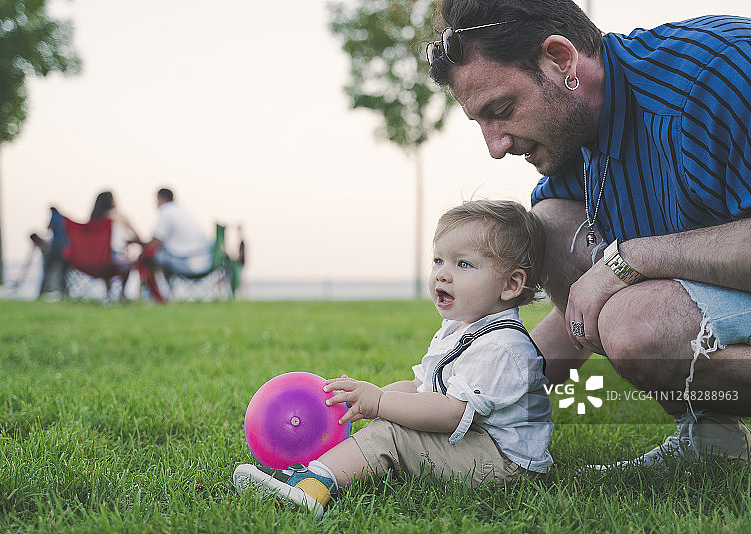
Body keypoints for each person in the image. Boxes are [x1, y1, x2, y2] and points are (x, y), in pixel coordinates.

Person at [426, 0, 751, 468]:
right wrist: (461, 391)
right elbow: (580, 307)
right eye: (481, 121)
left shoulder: (718, 78)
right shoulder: (578, 131)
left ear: (560, 60)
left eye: (502, 109)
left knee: (637, 323)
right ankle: (712, 441)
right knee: (549, 225)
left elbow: (619, 283)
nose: (495, 146)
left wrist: (630, 259)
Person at [234, 199, 553, 517]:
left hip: (504, 464)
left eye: (463, 264)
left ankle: (311, 488)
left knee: (394, 433)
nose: (442, 274)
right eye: (438, 260)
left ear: (511, 284)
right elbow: (421, 387)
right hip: (479, 445)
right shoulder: (459, 329)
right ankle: (311, 472)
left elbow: (450, 413)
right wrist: (369, 396)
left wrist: (381, 404)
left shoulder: (501, 346)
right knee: (390, 419)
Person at [146, 188, 212, 277]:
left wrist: (137, 243)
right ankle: (165, 288)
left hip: (188, 261)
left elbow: (155, 242)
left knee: (147, 256)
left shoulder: (166, 211)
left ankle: (157, 289)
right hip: (205, 259)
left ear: (161, 198)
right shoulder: (181, 211)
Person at [89, 191, 141, 266]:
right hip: (116, 258)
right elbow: (137, 237)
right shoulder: (120, 218)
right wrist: (128, 241)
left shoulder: (94, 221)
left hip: (95, 259)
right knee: (136, 260)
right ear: (112, 202)